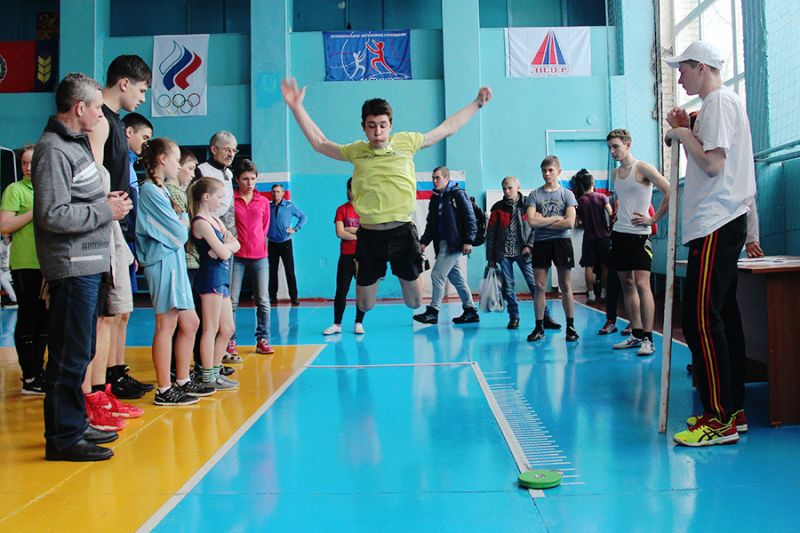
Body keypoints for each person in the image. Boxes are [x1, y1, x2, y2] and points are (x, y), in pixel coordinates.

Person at [280, 77, 492, 316]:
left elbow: (447, 128)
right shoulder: (356, 150)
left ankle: (413, 266)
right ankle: (376, 271)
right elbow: (320, 143)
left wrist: (477, 103)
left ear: (391, 125)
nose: (377, 132)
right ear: (364, 126)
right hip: (369, 235)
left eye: (382, 125)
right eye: (371, 126)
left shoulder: (407, 142)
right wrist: (296, 107)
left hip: (402, 231)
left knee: (415, 303)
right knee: (365, 305)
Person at [33, 72, 133, 461]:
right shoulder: (53, 150)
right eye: (97, 109)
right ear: (79, 108)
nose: (100, 115)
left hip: (88, 265)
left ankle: (74, 423)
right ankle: (62, 437)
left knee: (82, 348)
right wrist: (105, 210)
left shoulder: (73, 146)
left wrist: (103, 202)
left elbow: (75, 200)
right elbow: (52, 214)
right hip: (71, 267)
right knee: (69, 354)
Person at [663, 41, 757, 446]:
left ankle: (720, 418)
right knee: (722, 316)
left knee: (701, 319)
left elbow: (713, 164)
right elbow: (707, 160)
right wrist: (688, 128)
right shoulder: (717, 106)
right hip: (720, 221)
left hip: (717, 221)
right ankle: (732, 410)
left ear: (701, 67)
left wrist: (684, 132)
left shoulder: (718, 102)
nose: (679, 77)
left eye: (683, 70)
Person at [87, 54, 154, 399]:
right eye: (141, 90)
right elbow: (92, 175)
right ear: (124, 83)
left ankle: (109, 381)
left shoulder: (113, 122)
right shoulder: (100, 120)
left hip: (113, 223)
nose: (142, 98)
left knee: (116, 309)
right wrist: (104, 207)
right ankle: (96, 391)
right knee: (102, 315)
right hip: (100, 223)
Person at [136, 138, 209, 406]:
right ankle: (164, 389)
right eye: (176, 160)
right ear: (163, 159)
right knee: (166, 325)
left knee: (191, 323)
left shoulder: (162, 190)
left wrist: (181, 220)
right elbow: (179, 232)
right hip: (162, 262)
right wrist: (182, 220)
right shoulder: (150, 191)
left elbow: (180, 225)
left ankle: (182, 379)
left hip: (175, 260)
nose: (179, 166)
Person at [606, 129, 671, 356]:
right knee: (627, 283)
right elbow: (620, 198)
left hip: (640, 235)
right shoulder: (615, 174)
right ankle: (635, 333)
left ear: (628, 144)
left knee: (642, 284)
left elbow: (669, 190)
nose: (612, 151)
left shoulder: (642, 168)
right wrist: (616, 215)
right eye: (610, 148)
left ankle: (648, 339)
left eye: (616, 146)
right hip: (619, 234)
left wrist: (653, 219)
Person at [0, 144, 48, 394]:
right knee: (29, 317)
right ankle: (29, 375)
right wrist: (34, 211)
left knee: (45, 320)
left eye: (33, 162)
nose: (29, 168)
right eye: (24, 163)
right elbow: (5, 226)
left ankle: (39, 371)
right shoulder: (15, 190)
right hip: (25, 264)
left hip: (49, 264)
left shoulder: (49, 188)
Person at [189, 177, 241, 390]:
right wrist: (225, 248)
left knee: (227, 328)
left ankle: (216, 369)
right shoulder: (201, 222)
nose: (221, 201)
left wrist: (225, 247)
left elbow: (235, 245)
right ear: (206, 197)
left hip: (222, 277)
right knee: (210, 328)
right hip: (209, 278)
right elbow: (225, 252)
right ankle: (207, 375)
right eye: (219, 197)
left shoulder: (216, 220)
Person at [413, 166, 479, 325]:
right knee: (457, 278)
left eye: (438, 178)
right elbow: (431, 223)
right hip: (442, 243)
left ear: (447, 178)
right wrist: (424, 241)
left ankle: (433, 312)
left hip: (454, 243)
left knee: (437, 275)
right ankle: (470, 311)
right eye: (433, 178)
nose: (434, 181)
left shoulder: (458, 194)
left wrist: (469, 240)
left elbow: (470, 218)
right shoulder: (436, 198)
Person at [526, 155, 579, 342]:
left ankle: (570, 327)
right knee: (539, 286)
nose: (547, 174)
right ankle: (539, 327)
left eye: (550, 170)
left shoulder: (567, 195)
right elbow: (532, 222)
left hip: (562, 242)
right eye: (544, 171)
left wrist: (542, 220)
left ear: (558, 171)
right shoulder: (534, 195)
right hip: (541, 243)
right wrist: (556, 218)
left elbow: (569, 223)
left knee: (565, 285)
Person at [229, 159, 274, 354]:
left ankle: (263, 339)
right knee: (231, 301)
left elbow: (264, 227)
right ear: (237, 180)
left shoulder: (263, 202)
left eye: (253, 179)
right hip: (236, 256)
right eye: (245, 179)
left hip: (260, 256)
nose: (250, 183)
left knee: (263, 300)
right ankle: (230, 340)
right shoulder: (230, 201)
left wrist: (257, 244)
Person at [323, 178, 366, 335]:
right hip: (346, 255)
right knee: (341, 290)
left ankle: (359, 322)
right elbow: (340, 233)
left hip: (362, 256)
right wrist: (359, 233)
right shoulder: (341, 209)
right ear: (349, 191)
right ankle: (337, 324)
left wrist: (351, 230)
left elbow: (369, 234)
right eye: (353, 188)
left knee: (362, 290)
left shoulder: (366, 210)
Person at [572, 169, 612, 305]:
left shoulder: (579, 201)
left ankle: (591, 295)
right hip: (604, 236)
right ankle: (604, 293)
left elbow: (576, 222)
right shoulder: (602, 197)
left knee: (588, 267)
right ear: (593, 183)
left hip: (588, 237)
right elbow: (611, 213)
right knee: (605, 266)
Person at [267, 183, 306, 306]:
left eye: (278, 191)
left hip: (285, 243)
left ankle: (294, 297)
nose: (276, 194)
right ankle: (272, 297)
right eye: (274, 191)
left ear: (283, 193)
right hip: (272, 243)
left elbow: (303, 216)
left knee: (290, 271)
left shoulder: (289, 205)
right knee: (272, 271)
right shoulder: (268, 206)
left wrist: (295, 229)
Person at [195, 131, 238, 238]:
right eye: (227, 150)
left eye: (234, 150)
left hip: (228, 231)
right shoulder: (201, 170)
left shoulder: (229, 173)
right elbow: (195, 205)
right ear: (214, 149)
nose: (231, 155)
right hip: (209, 230)